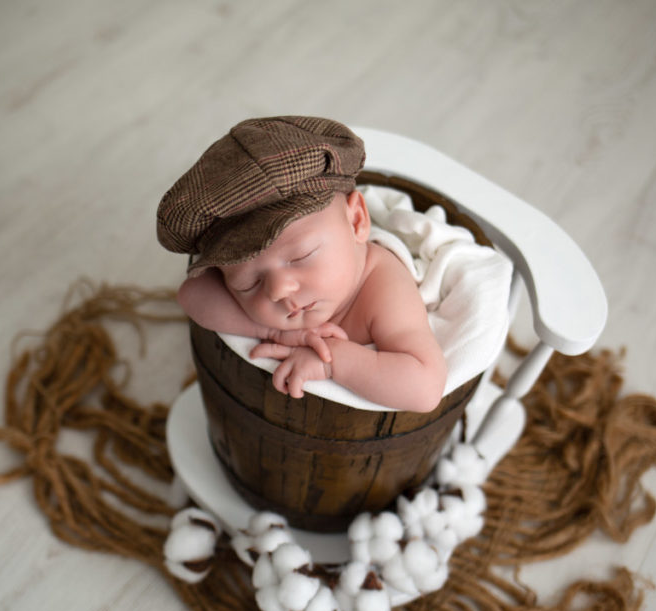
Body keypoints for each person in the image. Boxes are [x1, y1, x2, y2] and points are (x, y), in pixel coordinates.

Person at [157, 116, 446, 412]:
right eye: (250, 283)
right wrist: (277, 333)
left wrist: (331, 361)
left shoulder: (382, 285)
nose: (279, 290)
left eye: (301, 257)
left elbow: (424, 388)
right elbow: (191, 295)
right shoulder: (283, 301)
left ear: (357, 221)